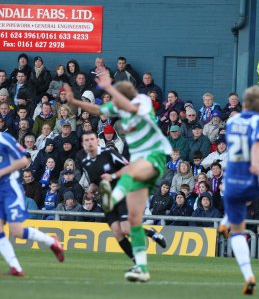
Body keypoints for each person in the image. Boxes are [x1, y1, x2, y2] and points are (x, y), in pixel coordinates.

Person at [65, 69, 172, 283]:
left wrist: (108, 86)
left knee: (123, 178)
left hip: (154, 157)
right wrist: (74, 101)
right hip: (140, 165)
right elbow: (96, 109)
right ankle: (141, 268)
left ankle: (113, 197)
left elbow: (131, 107)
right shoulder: (118, 106)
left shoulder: (141, 100)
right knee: (132, 222)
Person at [79, 131, 167, 265]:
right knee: (117, 232)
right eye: (86, 140)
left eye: (92, 139)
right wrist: (91, 189)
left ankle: (150, 233)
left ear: (97, 141)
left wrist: (113, 176)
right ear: (83, 144)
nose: (89, 143)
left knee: (126, 229)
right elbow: (95, 181)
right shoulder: (85, 162)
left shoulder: (108, 153)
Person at [220, 86, 259, 295]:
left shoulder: (232, 121)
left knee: (238, 230)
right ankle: (227, 222)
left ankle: (248, 275)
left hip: (231, 179)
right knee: (245, 200)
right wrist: (254, 162)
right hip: (253, 179)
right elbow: (258, 144)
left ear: (244, 103)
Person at [0, 132, 64, 276]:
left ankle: (51, 241)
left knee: (16, 231)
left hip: (10, 189)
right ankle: (15, 267)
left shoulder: (4, 138)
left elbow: (24, 160)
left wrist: (2, 172)